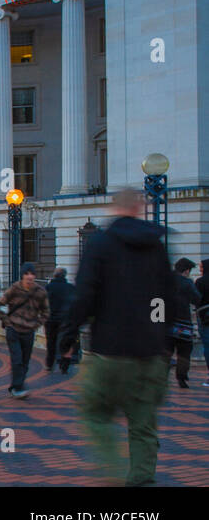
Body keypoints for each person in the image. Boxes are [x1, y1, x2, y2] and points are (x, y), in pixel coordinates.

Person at [59, 189, 176, 486]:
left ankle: (111, 472)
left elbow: (84, 296)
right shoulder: (157, 247)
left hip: (109, 352)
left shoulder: (99, 244)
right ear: (140, 208)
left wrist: (68, 338)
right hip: (150, 353)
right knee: (143, 427)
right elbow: (164, 300)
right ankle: (141, 480)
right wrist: (159, 337)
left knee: (95, 415)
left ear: (116, 208)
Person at [0, 263, 49, 398]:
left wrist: (36, 324)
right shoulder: (14, 289)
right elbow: (0, 305)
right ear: (22, 275)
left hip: (29, 330)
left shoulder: (40, 292)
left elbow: (46, 312)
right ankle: (19, 387)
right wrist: (7, 322)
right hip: (13, 329)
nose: (29, 277)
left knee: (25, 361)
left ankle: (16, 385)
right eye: (26, 274)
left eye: (32, 274)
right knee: (17, 359)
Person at [169, 258, 198, 389]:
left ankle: (161, 377)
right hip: (183, 323)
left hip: (165, 322)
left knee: (165, 351)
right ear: (186, 271)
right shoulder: (187, 283)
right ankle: (181, 377)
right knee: (184, 351)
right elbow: (197, 298)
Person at [44, 267, 76, 375]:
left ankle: (49, 363)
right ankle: (64, 365)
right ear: (65, 276)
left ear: (54, 275)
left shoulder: (48, 287)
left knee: (51, 342)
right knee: (65, 343)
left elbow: (44, 304)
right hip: (66, 320)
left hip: (51, 319)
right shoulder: (71, 288)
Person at [197, 259, 209, 388]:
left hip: (205, 317)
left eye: (201, 267)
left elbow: (196, 298)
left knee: (207, 346)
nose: (200, 269)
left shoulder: (200, 282)